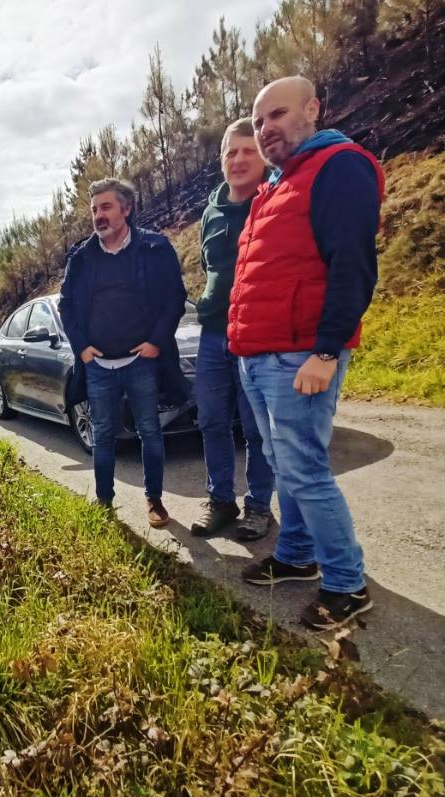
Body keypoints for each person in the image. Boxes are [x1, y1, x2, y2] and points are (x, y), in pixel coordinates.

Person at [228, 77, 385, 630]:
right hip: (259, 354)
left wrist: (326, 351)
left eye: (277, 115)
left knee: (306, 470)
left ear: (312, 110)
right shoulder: (276, 184)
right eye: (259, 121)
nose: (266, 128)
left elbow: (353, 268)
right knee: (282, 464)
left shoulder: (339, 166)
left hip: (301, 356)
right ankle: (296, 555)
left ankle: (346, 584)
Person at [58, 178, 188, 527]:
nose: (99, 215)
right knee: (102, 434)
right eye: (94, 209)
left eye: (106, 207)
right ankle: (104, 502)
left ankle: (155, 502)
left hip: (141, 362)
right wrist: (82, 348)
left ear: (126, 208)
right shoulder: (81, 258)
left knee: (149, 430)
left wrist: (156, 343)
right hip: (99, 365)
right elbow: (66, 307)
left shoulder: (154, 248)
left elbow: (176, 297)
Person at [190, 118, 276, 542]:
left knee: (255, 425)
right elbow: (211, 268)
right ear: (221, 159)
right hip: (212, 333)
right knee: (210, 419)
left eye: (249, 151)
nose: (239, 159)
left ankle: (259, 506)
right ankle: (220, 500)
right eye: (231, 152)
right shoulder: (210, 210)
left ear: (263, 156)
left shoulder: (275, 200)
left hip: (257, 333)